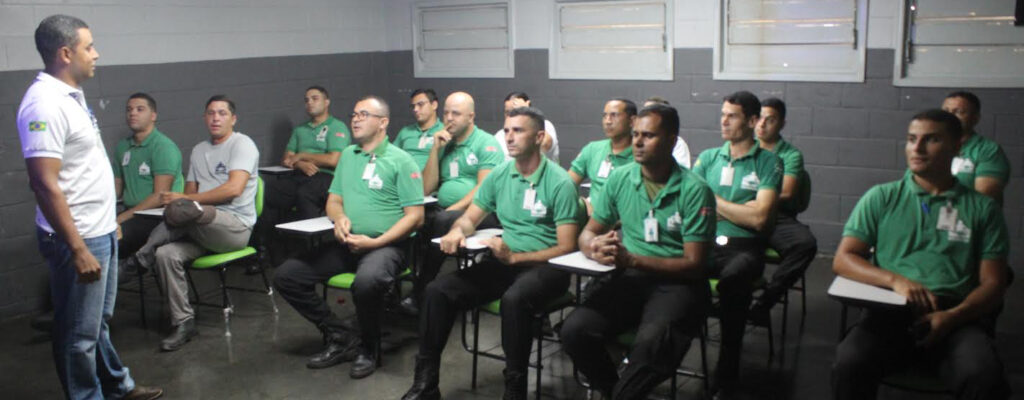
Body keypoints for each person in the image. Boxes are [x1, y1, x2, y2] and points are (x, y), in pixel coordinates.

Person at [18, 14, 162, 400]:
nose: (96, 54)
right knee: (77, 335)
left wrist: (110, 221)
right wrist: (78, 247)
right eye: (89, 47)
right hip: (79, 237)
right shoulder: (44, 105)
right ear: (66, 53)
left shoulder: (71, 96)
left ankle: (116, 386)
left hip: (101, 230)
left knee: (96, 324)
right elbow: (43, 183)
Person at [831, 109, 1011, 400]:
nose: (917, 148)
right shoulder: (881, 197)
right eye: (912, 139)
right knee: (849, 362)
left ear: (957, 147)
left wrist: (952, 317)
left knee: (982, 374)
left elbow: (994, 283)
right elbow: (844, 259)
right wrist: (896, 281)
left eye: (931, 139)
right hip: (890, 314)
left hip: (955, 317)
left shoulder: (982, 209)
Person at [402, 107, 579, 400]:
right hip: (506, 261)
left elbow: (567, 247)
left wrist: (516, 258)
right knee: (437, 291)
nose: (509, 137)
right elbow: (470, 218)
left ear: (539, 137)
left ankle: (515, 389)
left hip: (547, 267)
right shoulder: (500, 175)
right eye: (507, 130)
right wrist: (457, 231)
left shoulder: (559, 182)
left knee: (514, 300)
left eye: (518, 131)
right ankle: (426, 383)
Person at [560, 104, 715, 399]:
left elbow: (695, 264)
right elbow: (588, 232)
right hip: (631, 278)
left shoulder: (694, 189)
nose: (638, 142)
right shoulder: (621, 178)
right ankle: (614, 392)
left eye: (649, 136)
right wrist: (593, 247)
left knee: (651, 346)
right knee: (574, 330)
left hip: (678, 284)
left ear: (671, 140)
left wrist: (632, 259)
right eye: (635, 135)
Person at [273, 96, 425, 379]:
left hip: (387, 247)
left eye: (364, 114)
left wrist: (377, 242)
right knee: (287, 275)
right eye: (354, 114)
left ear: (383, 122)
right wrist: (339, 218)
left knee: (366, 282)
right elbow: (334, 201)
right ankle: (341, 335)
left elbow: (416, 217)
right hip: (349, 243)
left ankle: (369, 348)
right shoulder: (348, 156)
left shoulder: (402, 161)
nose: (355, 119)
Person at [133, 95, 260, 352]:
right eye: (211, 113)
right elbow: (189, 193)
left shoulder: (243, 144)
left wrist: (186, 201)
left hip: (234, 228)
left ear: (233, 119)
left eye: (222, 113)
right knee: (166, 254)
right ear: (204, 118)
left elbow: (233, 190)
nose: (216, 118)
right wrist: (185, 201)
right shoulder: (199, 150)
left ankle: (140, 257)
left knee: (184, 208)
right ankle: (184, 322)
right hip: (199, 228)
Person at [690, 91, 782, 396]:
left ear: (752, 121)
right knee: (671, 269)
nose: (724, 121)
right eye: (722, 114)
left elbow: (760, 219)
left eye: (732, 116)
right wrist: (741, 209)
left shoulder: (769, 162)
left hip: (744, 247)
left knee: (734, 280)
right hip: (705, 241)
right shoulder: (708, 158)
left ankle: (726, 375)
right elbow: (689, 204)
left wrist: (712, 200)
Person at [401, 92, 503, 315]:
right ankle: (397, 283)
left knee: (442, 219)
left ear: (471, 116)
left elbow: (483, 190)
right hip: (444, 211)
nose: (448, 118)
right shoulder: (445, 144)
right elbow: (426, 188)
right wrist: (434, 150)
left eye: (455, 113)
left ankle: (420, 290)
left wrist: (452, 209)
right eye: (446, 113)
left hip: (481, 215)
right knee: (413, 217)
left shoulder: (486, 143)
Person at [255, 86, 350, 269]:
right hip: (299, 175)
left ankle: (311, 255)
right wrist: (300, 164)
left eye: (315, 98)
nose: (309, 103)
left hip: (327, 177)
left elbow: (334, 160)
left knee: (305, 194)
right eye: (306, 100)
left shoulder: (337, 127)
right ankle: (271, 254)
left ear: (327, 102)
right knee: (270, 192)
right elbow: (286, 159)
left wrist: (302, 155)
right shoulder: (300, 130)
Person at [748, 98, 818, 323]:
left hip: (776, 214)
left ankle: (765, 302)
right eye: (759, 118)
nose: (762, 124)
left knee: (805, 244)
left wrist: (759, 200)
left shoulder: (790, 155)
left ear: (781, 124)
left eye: (770, 120)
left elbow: (786, 192)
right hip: (744, 212)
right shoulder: (745, 146)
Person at [113, 92, 184, 268]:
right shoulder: (122, 146)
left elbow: (160, 196)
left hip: (156, 217)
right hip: (130, 213)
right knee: (90, 235)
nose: (133, 113)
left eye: (140, 109)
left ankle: (123, 273)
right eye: (129, 109)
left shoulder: (163, 147)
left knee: (110, 242)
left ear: (153, 116)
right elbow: (116, 188)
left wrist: (121, 219)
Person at [940, 91, 1011, 205]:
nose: (950, 116)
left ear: (975, 118)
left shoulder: (988, 150)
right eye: (946, 111)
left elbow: (981, 201)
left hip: (967, 216)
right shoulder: (931, 146)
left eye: (958, 112)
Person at [568, 98, 638, 213]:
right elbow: (567, 185)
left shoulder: (641, 154)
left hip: (627, 219)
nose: (607, 121)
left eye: (614, 115)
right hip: (592, 219)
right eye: (605, 116)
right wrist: (583, 203)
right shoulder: (593, 149)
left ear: (632, 121)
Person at [493, 91, 560, 162]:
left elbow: (545, 144)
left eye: (517, 111)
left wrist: (526, 112)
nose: (512, 116)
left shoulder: (546, 125)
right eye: (507, 112)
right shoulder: (499, 136)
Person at [394, 88, 445, 171]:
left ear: (434, 105)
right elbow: (391, 156)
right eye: (413, 106)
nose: (415, 109)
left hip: (433, 177)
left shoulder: (444, 131)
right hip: (405, 176)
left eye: (420, 104)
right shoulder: (405, 132)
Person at [643, 96, 691, 168]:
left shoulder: (678, 144)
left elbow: (681, 169)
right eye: (643, 112)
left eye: (650, 112)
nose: (644, 116)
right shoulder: (636, 140)